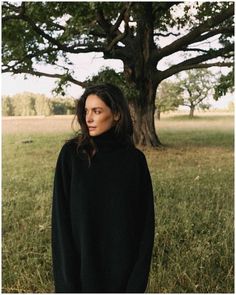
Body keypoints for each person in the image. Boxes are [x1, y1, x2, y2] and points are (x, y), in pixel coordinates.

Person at [51, 83, 155, 293]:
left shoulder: (134, 161)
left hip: (124, 278)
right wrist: (67, 285)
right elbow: (61, 224)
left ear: (116, 114)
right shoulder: (71, 155)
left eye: (97, 111)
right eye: (86, 111)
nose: (88, 118)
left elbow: (145, 226)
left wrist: (136, 283)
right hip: (80, 276)